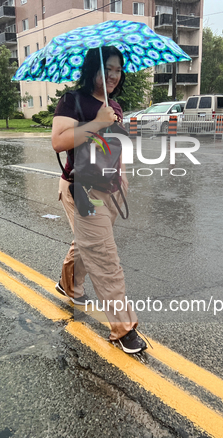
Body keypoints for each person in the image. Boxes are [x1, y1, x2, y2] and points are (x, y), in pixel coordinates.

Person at [51, 46, 147, 355]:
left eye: (118, 70)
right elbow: (59, 140)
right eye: (107, 69)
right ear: (92, 69)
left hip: (112, 187)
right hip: (82, 190)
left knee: (88, 244)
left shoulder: (114, 105)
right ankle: (123, 329)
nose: (114, 76)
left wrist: (121, 174)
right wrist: (97, 122)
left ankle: (68, 284)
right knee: (105, 257)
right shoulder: (72, 101)